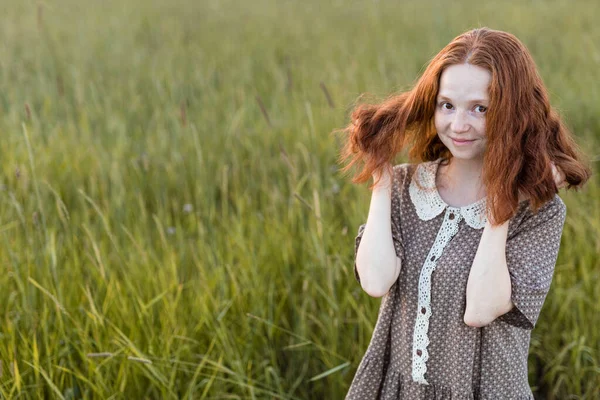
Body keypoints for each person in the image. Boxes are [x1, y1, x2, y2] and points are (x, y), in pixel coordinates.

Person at [337, 27, 591, 399]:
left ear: (512, 113)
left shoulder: (539, 212)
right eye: (447, 105)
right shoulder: (408, 188)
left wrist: (502, 201)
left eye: (480, 109)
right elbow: (374, 282)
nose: (458, 125)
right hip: (400, 390)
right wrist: (381, 175)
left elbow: (481, 308)